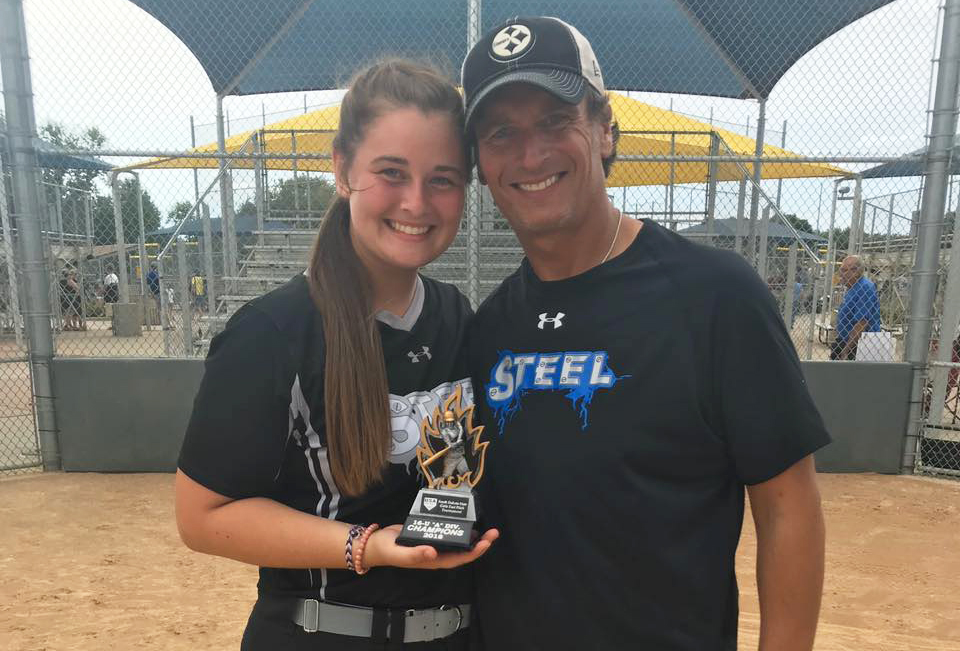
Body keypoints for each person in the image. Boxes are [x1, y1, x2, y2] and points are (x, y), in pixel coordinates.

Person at [461, 17, 830, 651]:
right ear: (478, 163)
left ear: (604, 130)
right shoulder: (489, 326)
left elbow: (787, 505)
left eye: (555, 121)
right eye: (501, 133)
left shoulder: (714, 294)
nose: (530, 155)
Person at [175, 59, 497, 651]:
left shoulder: (460, 319)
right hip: (320, 630)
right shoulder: (273, 332)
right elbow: (202, 518)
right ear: (343, 168)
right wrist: (366, 547)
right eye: (391, 172)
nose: (417, 202)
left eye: (443, 178)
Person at [831, 254, 882, 360]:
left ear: (856, 272)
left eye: (844, 270)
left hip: (859, 344)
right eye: (841, 270)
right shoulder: (852, 287)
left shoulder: (864, 288)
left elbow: (861, 323)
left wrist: (846, 350)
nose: (840, 274)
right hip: (846, 340)